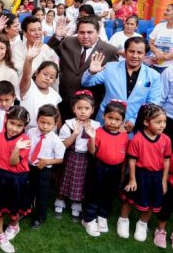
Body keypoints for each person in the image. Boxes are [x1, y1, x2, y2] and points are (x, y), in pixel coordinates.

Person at [117, 104, 172, 242]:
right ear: (146, 122)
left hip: (156, 177)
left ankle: (142, 224)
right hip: (139, 175)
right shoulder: (137, 139)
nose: (162, 125)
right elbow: (132, 161)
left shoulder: (166, 140)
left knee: (151, 203)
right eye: (158, 122)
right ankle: (123, 220)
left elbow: (166, 160)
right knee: (129, 199)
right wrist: (132, 179)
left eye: (164, 122)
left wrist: (164, 180)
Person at [82, 37, 162, 130]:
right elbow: (86, 83)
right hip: (106, 122)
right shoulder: (110, 67)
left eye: (139, 53)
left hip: (132, 127)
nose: (135, 56)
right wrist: (91, 72)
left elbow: (153, 103)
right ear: (125, 52)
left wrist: (133, 120)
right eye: (131, 51)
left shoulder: (154, 75)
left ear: (145, 55)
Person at [48, 16, 119, 120]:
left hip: (89, 107)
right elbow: (48, 51)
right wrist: (57, 37)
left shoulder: (110, 51)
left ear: (98, 32)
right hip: (64, 101)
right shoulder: (68, 42)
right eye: (82, 32)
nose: (85, 36)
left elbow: (111, 80)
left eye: (90, 32)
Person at [0, 105, 32, 253]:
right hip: (0, 176)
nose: (15, 128)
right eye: (12, 123)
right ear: (6, 120)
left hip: (18, 178)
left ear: (24, 126)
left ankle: (14, 225)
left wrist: (17, 148)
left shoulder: (25, 140)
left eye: (20, 125)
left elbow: (13, 162)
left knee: (15, 207)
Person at [82, 101, 129, 237]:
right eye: (110, 118)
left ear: (122, 121)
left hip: (115, 169)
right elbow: (92, 152)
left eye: (117, 119)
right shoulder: (97, 132)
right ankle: (89, 219)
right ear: (104, 116)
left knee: (109, 194)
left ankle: (102, 216)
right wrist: (92, 138)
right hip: (98, 167)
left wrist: (121, 174)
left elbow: (124, 155)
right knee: (94, 193)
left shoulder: (124, 135)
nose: (113, 122)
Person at [56, 91, 99, 220]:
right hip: (70, 156)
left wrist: (92, 138)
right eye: (79, 108)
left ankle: (76, 203)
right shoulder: (68, 124)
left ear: (92, 110)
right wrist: (74, 134)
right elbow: (63, 145)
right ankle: (60, 200)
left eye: (87, 108)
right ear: (74, 109)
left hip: (85, 159)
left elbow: (92, 151)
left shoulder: (96, 126)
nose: (83, 111)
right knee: (64, 178)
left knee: (80, 181)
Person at [27, 104, 65, 229]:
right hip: (29, 167)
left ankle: (40, 217)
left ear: (55, 124)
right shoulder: (31, 132)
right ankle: (26, 210)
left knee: (42, 194)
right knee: (28, 190)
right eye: (42, 122)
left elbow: (60, 159)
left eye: (49, 123)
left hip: (44, 171)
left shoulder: (55, 140)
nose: (45, 126)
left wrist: (48, 161)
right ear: (37, 119)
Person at [20, 51, 62, 129]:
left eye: (52, 77)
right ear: (36, 73)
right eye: (45, 74)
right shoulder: (28, 87)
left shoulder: (54, 94)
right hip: (28, 131)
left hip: (48, 132)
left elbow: (57, 116)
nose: (47, 78)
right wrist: (29, 59)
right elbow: (26, 75)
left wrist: (60, 133)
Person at [11, 15, 59, 82]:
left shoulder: (47, 50)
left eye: (39, 29)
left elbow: (54, 75)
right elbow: (19, 72)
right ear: (25, 33)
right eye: (33, 30)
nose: (37, 33)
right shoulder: (16, 48)